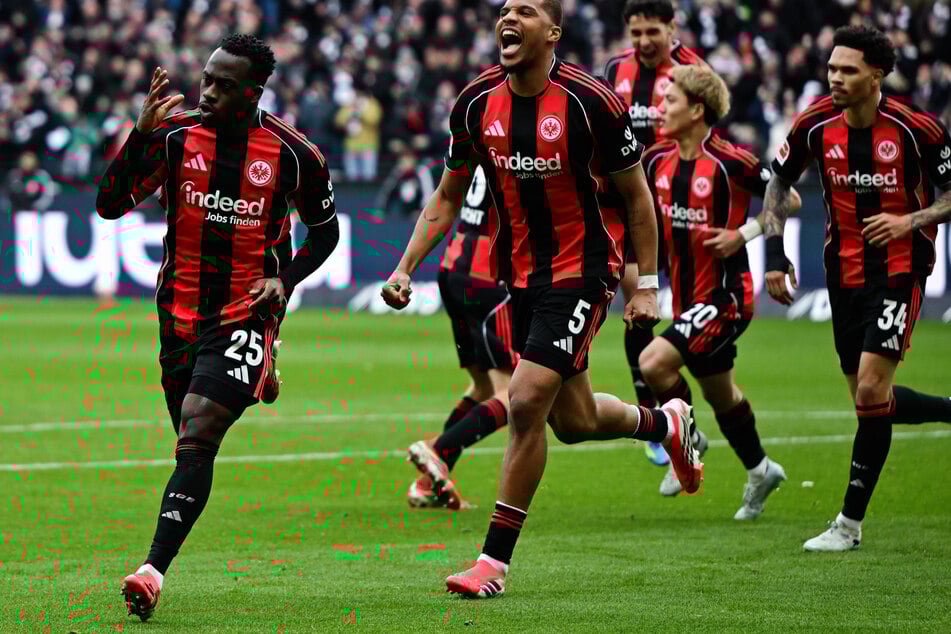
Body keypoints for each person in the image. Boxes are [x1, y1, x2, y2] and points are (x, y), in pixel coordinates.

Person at [381, 0, 703, 598]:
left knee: (525, 401)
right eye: (505, 9)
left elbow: (638, 200)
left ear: (552, 32)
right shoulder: (475, 103)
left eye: (525, 10)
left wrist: (647, 286)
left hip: (584, 269)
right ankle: (666, 422)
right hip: (521, 275)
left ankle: (492, 564)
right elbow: (447, 196)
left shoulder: (591, 103)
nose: (509, 17)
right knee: (574, 421)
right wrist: (405, 266)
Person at [95, 34, 339, 618]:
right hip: (177, 312)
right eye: (206, 79)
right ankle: (263, 366)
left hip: (245, 310)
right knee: (187, 437)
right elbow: (109, 204)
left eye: (222, 86)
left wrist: (287, 280)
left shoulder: (294, 154)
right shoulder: (175, 138)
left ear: (252, 93)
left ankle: (151, 571)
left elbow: (325, 233)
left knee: (201, 428)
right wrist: (139, 135)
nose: (206, 93)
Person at [761, 25, 951, 551]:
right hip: (842, 273)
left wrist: (909, 220)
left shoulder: (916, 128)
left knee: (870, 391)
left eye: (848, 70)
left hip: (900, 269)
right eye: (831, 69)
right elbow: (779, 181)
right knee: (871, 401)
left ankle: (848, 525)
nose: (835, 78)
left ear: (877, 75)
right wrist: (774, 255)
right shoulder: (814, 123)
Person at [638, 64, 800, 518]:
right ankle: (761, 470)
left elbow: (789, 197)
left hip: (726, 297)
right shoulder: (656, 161)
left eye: (670, 100)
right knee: (721, 394)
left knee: (653, 363)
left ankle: (685, 441)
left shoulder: (732, 161)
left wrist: (743, 234)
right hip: (686, 299)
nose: (660, 108)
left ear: (697, 110)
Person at [604, 0, 706, 468]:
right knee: (638, 309)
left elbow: (708, 139)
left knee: (689, 320)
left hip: (680, 208)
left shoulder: (693, 71)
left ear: (672, 27)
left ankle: (686, 413)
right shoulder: (615, 71)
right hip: (630, 209)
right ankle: (657, 418)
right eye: (636, 33)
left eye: (652, 32)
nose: (644, 41)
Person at [405, 165, 516, 511]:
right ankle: (439, 450)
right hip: (489, 278)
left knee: (483, 386)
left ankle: (427, 483)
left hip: (454, 271)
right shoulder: (520, 144)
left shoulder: (481, 140)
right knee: (516, 392)